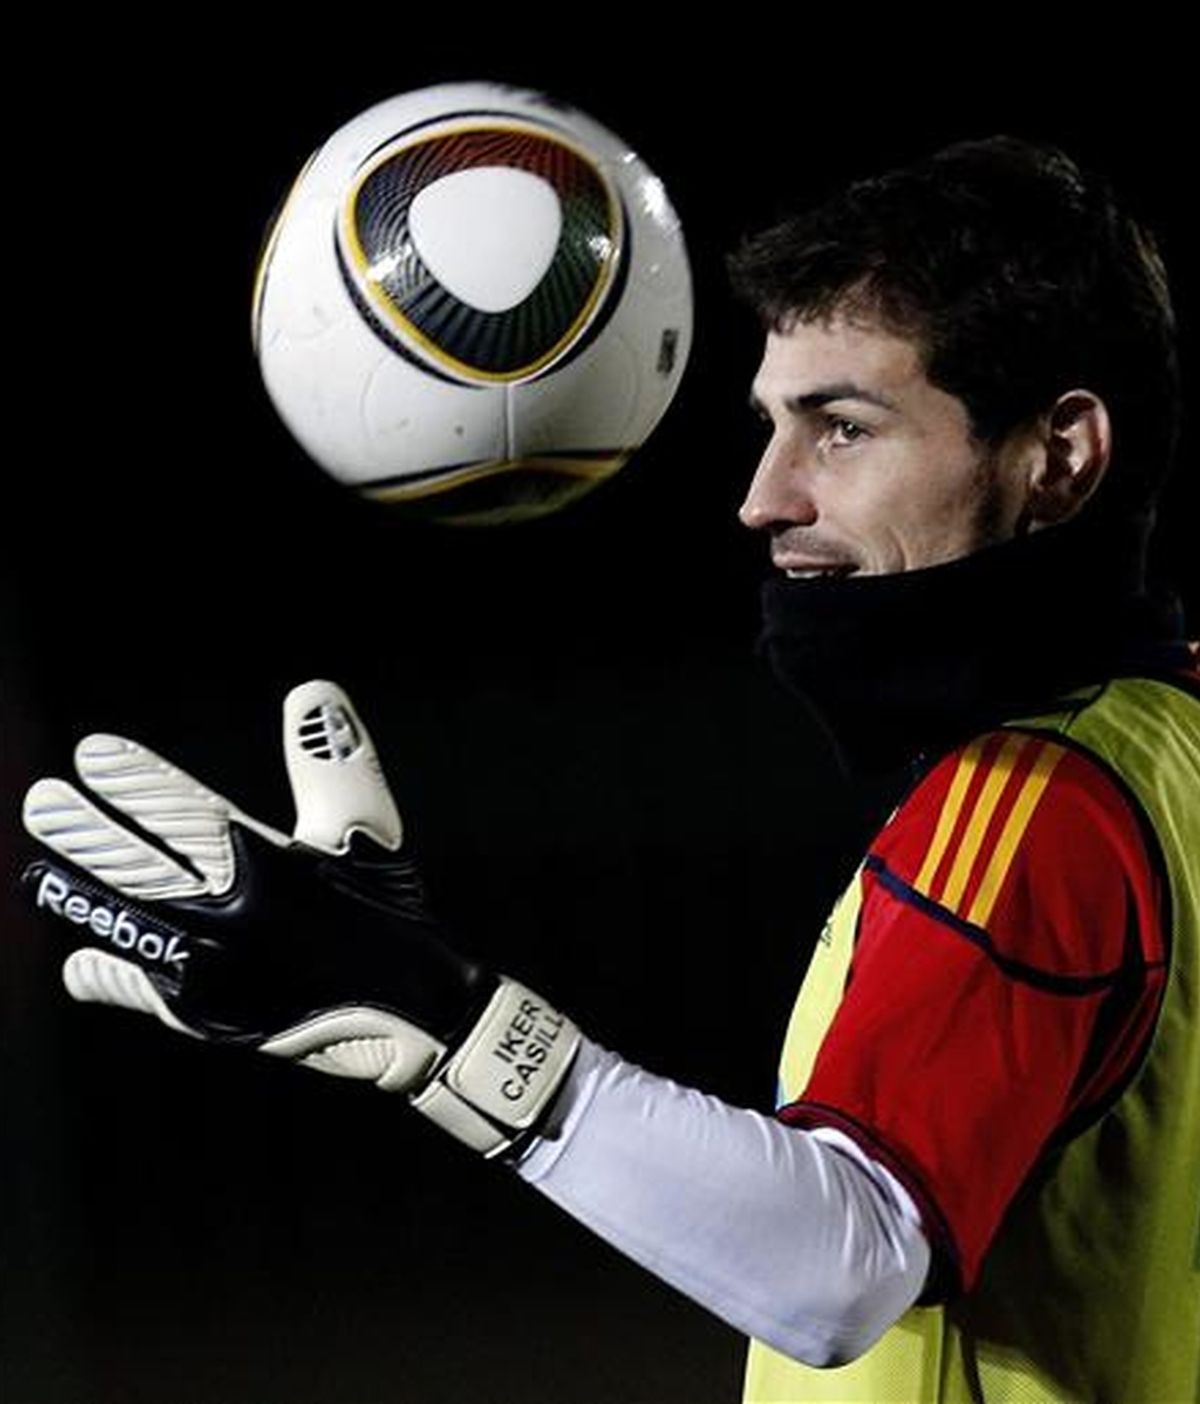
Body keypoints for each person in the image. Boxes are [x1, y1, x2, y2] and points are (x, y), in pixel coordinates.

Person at [20, 137, 1199, 1404]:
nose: (765, 497)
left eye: (842, 428)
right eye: (770, 429)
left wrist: (445, 1022)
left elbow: (842, 1261)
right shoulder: (1169, 734)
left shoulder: (1030, 809)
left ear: (1060, 455)